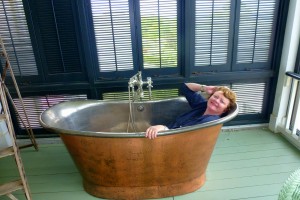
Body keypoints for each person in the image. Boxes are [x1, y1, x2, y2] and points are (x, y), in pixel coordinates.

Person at [145, 83, 237, 139]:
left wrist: (163, 128)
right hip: (167, 133)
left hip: (172, 141)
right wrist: (204, 88)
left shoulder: (210, 121)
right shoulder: (203, 105)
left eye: (222, 101)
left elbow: (183, 134)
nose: (216, 101)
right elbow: (185, 87)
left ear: (225, 109)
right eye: (215, 96)